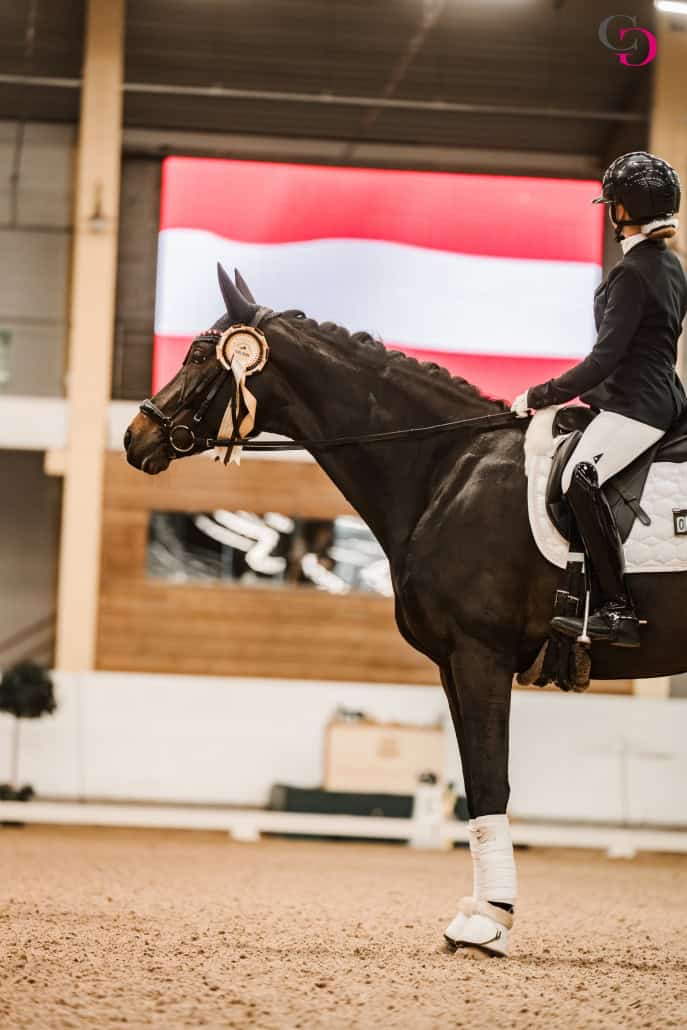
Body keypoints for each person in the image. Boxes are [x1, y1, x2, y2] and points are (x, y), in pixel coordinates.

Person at [511, 151, 687, 647]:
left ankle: (617, 608)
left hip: (638, 406)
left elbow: (603, 361)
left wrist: (539, 394)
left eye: (612, 205)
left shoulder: (634, 273)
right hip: (656, 397)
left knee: (579, 478)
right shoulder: (669, 265)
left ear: (623, 210)